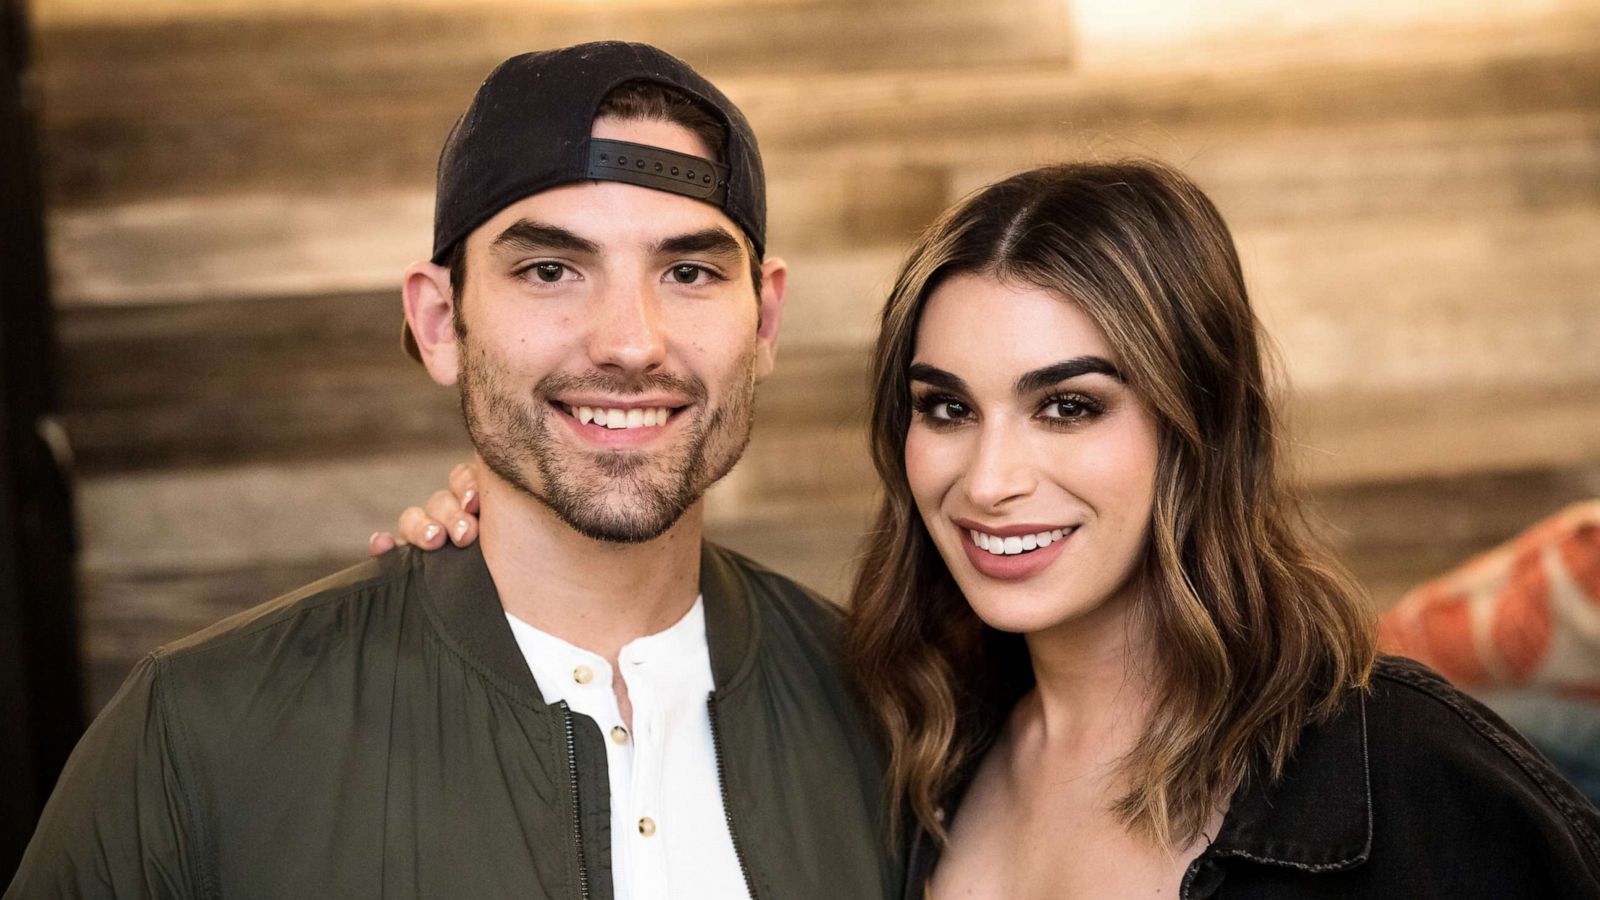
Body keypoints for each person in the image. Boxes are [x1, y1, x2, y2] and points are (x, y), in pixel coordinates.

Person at [402, 161, 1600, 898]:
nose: (989, 478)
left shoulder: (1398, 773)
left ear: (1195, 424)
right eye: (944, 409)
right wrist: (508, 524)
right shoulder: (908, 748)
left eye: (1068, 406)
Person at [7, 43, 897, 900]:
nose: (631, 342)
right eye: (550, 269)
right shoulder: (196, 732)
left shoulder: (894, 718)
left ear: (765, 322)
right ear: (440, 322)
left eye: (690, 271)